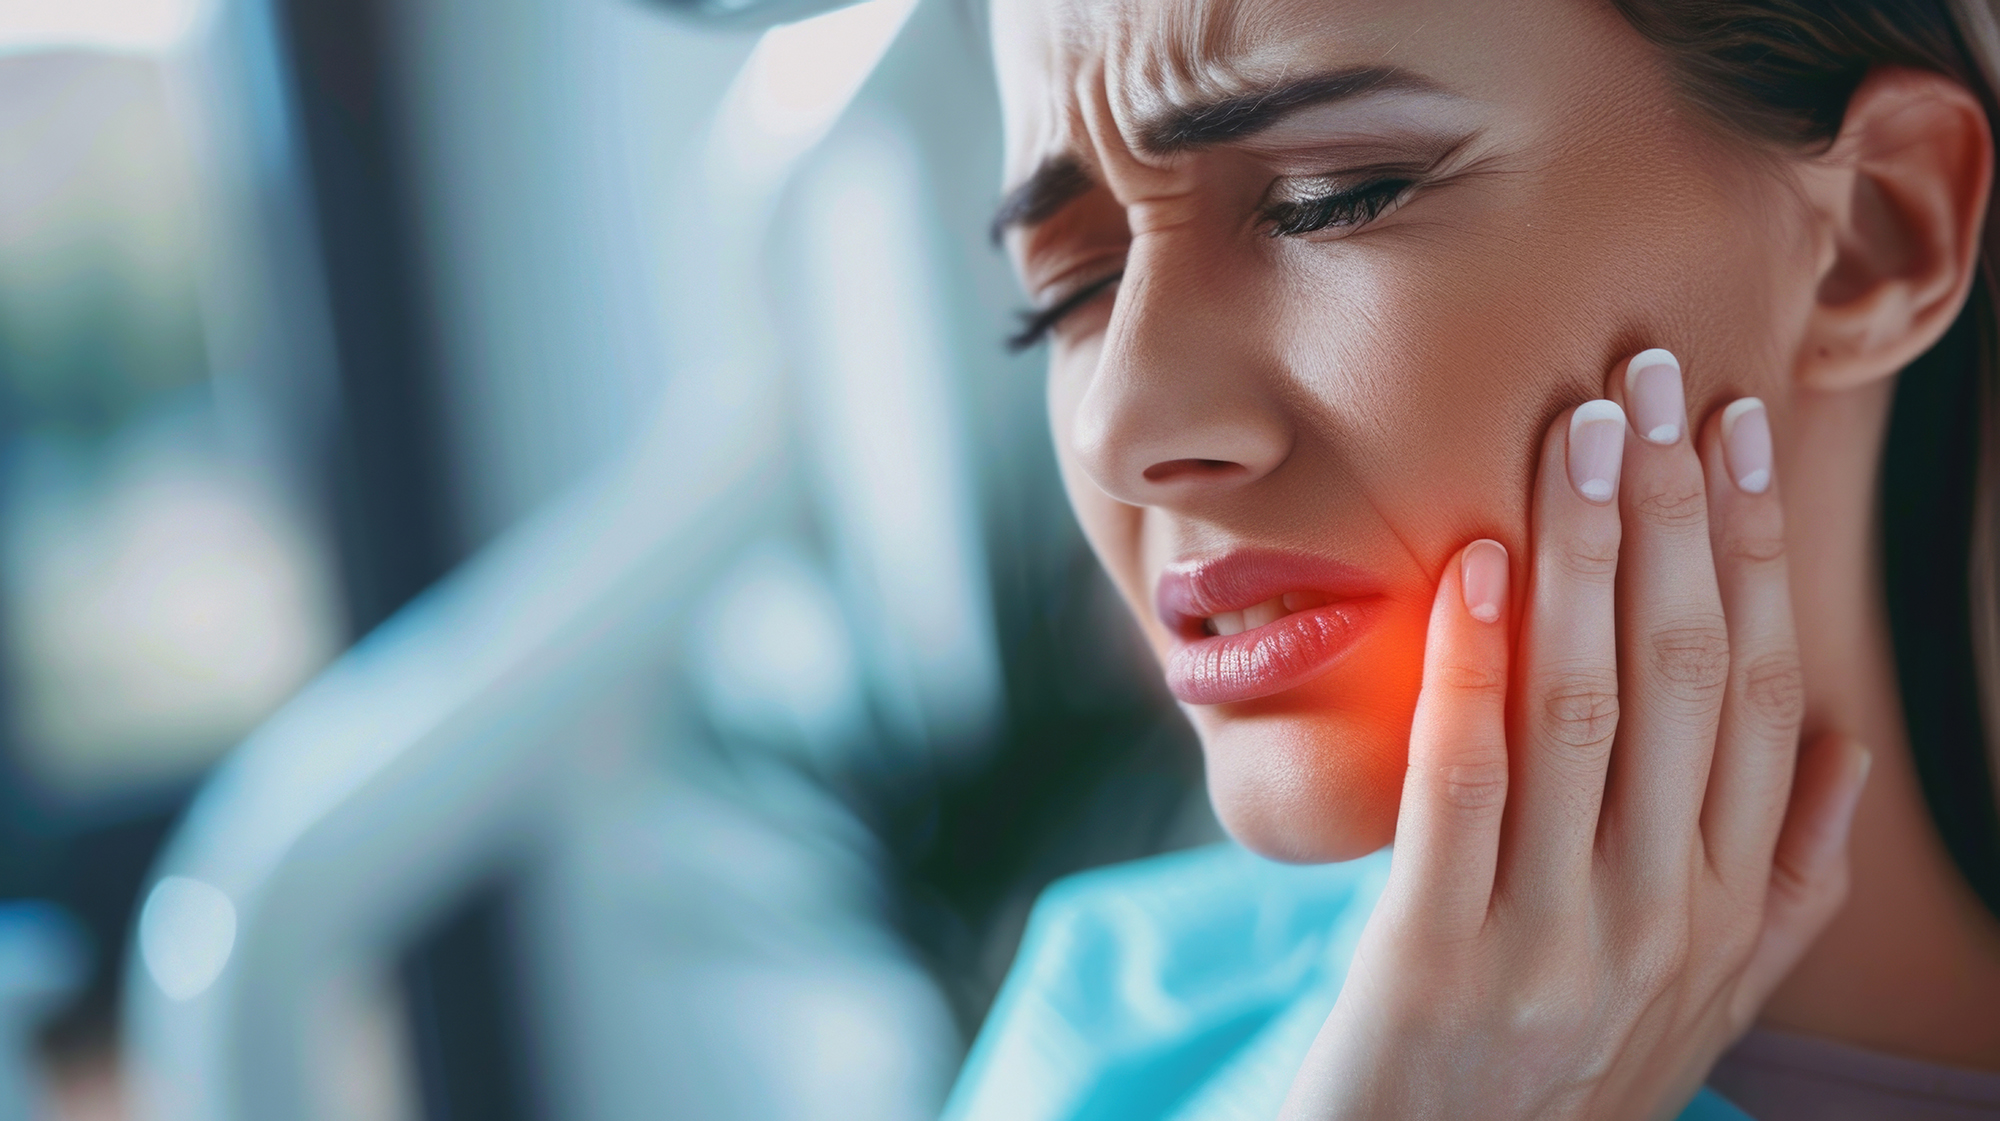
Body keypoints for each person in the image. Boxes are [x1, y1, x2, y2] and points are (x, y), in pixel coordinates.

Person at [943, 1, 2000, 1118]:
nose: (1118, 424)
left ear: (1876, 234)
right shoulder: (1097, 1038)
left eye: (1332, 194)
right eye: (1069, 290)